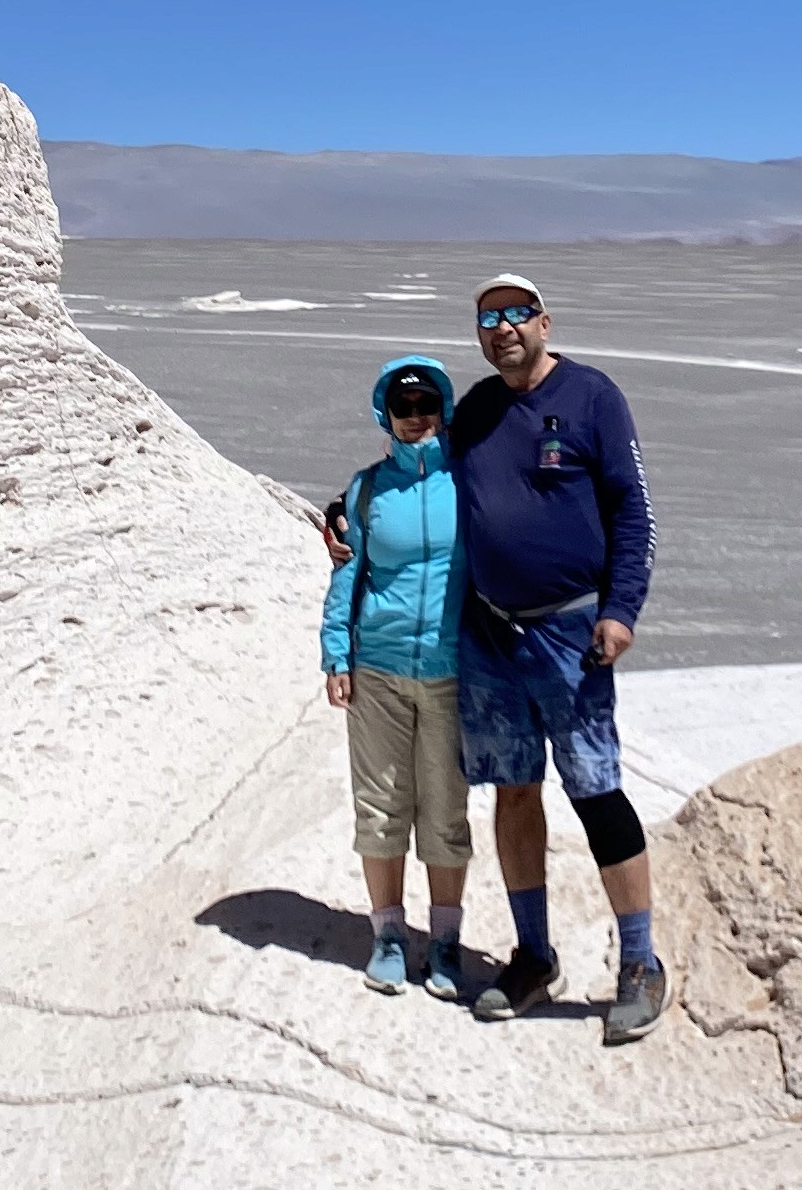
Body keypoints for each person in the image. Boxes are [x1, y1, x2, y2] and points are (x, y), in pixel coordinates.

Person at [446, 268, 666, 1044]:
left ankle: (640, 963)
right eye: (487, 319)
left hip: (571, 634)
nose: (502, 328)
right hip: (489, 634)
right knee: (512, 791)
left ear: (544, 321)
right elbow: (426, 484)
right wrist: (348, 517)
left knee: (596, 791)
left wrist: (621, 609)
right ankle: (534, 955)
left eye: (516, 314)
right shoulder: (471, 411)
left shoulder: (591, 397)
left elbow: (631, 507)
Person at [320, 356, 475, 999]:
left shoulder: (469, 482)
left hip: (450, 671)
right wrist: (337, 653)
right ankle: (387, 935)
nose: (417, 418)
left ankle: (444, 941)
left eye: (427, 405)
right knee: (380, 806)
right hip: (378, 669)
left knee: (444, 811)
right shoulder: (365, 490)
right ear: (388, 413)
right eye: (404, 407)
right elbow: (347, 573)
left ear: (443, 407)